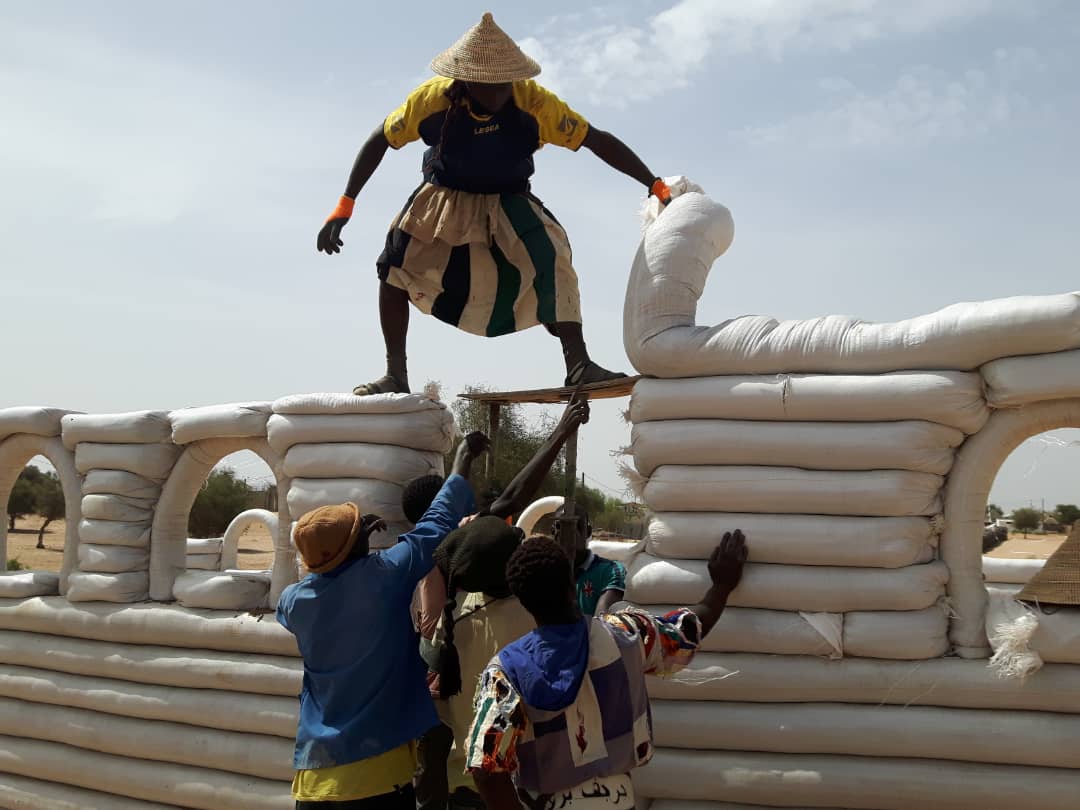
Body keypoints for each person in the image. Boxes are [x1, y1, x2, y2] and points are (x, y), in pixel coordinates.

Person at [316, 12, 672, 396]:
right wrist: (344, 205)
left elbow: (596, 140)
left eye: (506, 84)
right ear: (466, 81)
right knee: (394, 267)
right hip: (443, 196)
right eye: (489, 86)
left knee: (552, 254)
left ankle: (579, 364)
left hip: (507, 197)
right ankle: (395, 374)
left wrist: (652, 183)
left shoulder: (535, 105)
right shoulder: (432, 101)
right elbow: (379, 140)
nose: (500, 93)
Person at [276, 433, 488, 809]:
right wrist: (462, 460)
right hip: (375, 776)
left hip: (312, 778)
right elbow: (436, 524)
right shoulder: (384, 576)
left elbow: (319, 586)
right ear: (357, 545)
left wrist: (349, 548)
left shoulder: (295, 602)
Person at [465, 531, 748, 810]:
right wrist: (721, 587)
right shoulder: (626, 635)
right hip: (618, 798)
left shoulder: (506, 671)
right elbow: (685, 631)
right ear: (572, 582)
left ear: (523, 600)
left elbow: (485, 768)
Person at [406, 397, 590, 810]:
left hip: (464, 780)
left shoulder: (449, 611)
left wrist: (462, 459)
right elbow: (510, 499)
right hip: (520, 784)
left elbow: (508, 501)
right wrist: (561, 432)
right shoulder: (536, 619)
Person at [553, 503, 626, 617]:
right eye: (560, 527)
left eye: (575, 526)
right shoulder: (547, 571)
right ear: (553, 532)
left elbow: (602, 623)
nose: (569, 534)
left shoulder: (610, 571)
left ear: (588, 532)